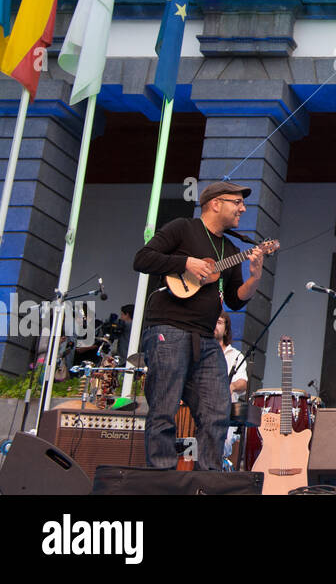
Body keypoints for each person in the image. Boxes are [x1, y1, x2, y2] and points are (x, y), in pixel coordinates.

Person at [133, 181, 264, 470]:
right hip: (169, 328)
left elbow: (235, 299)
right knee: (164, 409)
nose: (242, 207)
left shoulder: (230, 247)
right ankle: (161, 477)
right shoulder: (183, 228)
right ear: (215, 203)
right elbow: (142, 259)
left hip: (206, 338)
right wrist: (186, 263)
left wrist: (254, 278)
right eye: (236, 202)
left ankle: (208, 478)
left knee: (217, 410)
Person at [216, 311, 248, 463]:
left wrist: (232, 386)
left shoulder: (235, 356)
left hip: (225, 412)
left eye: (219, 322)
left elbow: (243, 383)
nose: (215, 325)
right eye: (213, 322)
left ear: (226, 329)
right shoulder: (199, 351)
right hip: (197, 411)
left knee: (220, 446)